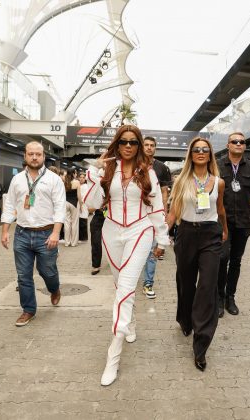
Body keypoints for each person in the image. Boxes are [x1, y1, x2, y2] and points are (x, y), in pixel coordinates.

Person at [84, 124, 170, 386]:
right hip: (111, 232)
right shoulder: (107, 170)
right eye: (124, 142)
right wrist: (95, 171)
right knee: (119, 284)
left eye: (134, 142)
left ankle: (114, 353)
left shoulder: (148, 172)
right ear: (117, 144)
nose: (129, 146)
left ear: (139, 144)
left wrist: (162, 239)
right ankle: (130, 321)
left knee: (125, 289)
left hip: (140, 231)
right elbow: (91, 203)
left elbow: (156, 208)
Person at [168, 137, 227, 371]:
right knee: (186, 282)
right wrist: (161, 235)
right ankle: (185, 319)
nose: (201, 152)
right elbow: (174, 211)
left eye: (205, 149)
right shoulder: (181, 180)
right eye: (196, 149)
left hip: (211, 235)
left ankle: (201, 345)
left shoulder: (219, 182)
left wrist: (224, 230)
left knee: (207, 286)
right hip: (186, 234)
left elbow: (220, 209)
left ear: (210, 154)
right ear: (191, 154)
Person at [0, 141, 66, 326]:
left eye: (38, 154)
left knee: (47, 272)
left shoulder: (54, 179)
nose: (34, 157)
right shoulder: (17, 179)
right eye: (31, 154)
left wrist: (55, 233)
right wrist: (5, 231)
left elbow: (60, 208)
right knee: (23, 276)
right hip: (21, 234)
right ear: (25, 156)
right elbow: (10, 205)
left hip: (46, 234)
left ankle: (54, 289)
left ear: (44, 156)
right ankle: (28, 310)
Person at [217, 132, 250, 317]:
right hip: (222, 222)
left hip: (243, 222)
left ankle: (230, 297)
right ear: (228, 145)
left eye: (242, 142)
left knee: (236, 261)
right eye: (234, 141)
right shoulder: (217, 165)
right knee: (222, 259)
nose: (238, 144)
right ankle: (219, 298)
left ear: (245, 146)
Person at [142, 136, 172, 298]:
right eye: (146, 145)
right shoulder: (134, 165)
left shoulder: (161, 168)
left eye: (151, 145)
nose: (148, 148)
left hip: (155, 216)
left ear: (155, 148)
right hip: (136, 216)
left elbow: (164, 193)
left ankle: (148, 283)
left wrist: (165, 213)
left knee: (152, 251)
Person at [64, 168, 82, 247]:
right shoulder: (77, 182)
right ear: (74, 173)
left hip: (65, 203)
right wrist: (81, 205)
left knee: (67, 223)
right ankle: (74, 242)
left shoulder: (64, 181)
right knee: (74, 223)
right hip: (74, 203)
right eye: (76, 173)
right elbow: (78, 195)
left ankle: (67, 242)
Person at [78, 172, 89, 242]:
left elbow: (85, 196)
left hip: (83, 205)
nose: (82, 179)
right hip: (78, 204)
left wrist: (81, 203)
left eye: (83, 177)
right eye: (80, 177)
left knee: (83, 220)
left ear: (85, 179)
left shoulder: (86, 186)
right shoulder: (78, 185)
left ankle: (84, 238)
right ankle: (80, 237)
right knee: (79, 221)